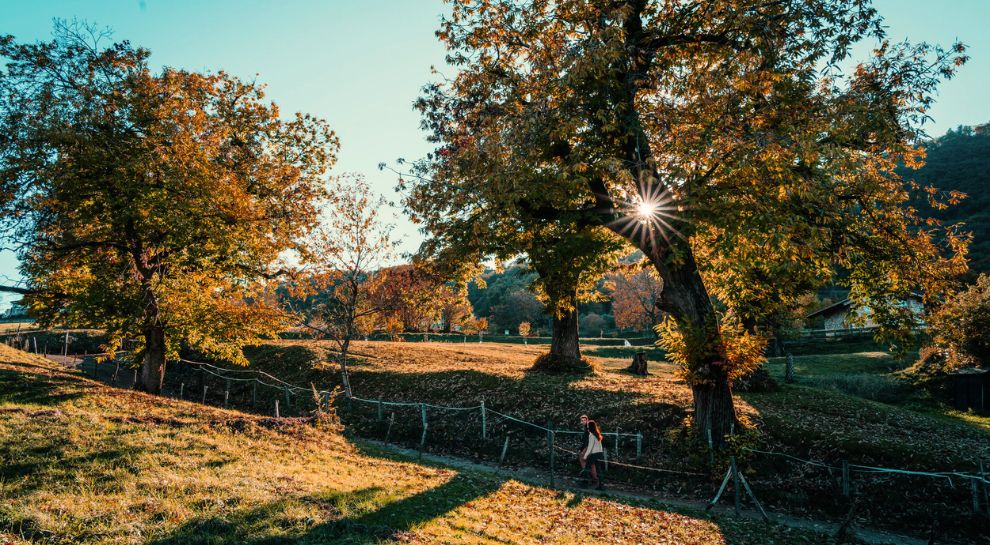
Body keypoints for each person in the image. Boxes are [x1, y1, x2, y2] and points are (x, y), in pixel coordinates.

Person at [581, 419, 606, 490]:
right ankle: (601, 485)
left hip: (594, 454)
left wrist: (585, 456)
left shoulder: (591, 435)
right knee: (599, 469)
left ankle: (585, 484)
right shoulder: (598, 434)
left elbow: (590, 447)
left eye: (588, 426)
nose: (587, 428)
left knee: (587, 468)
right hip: (600, 453)